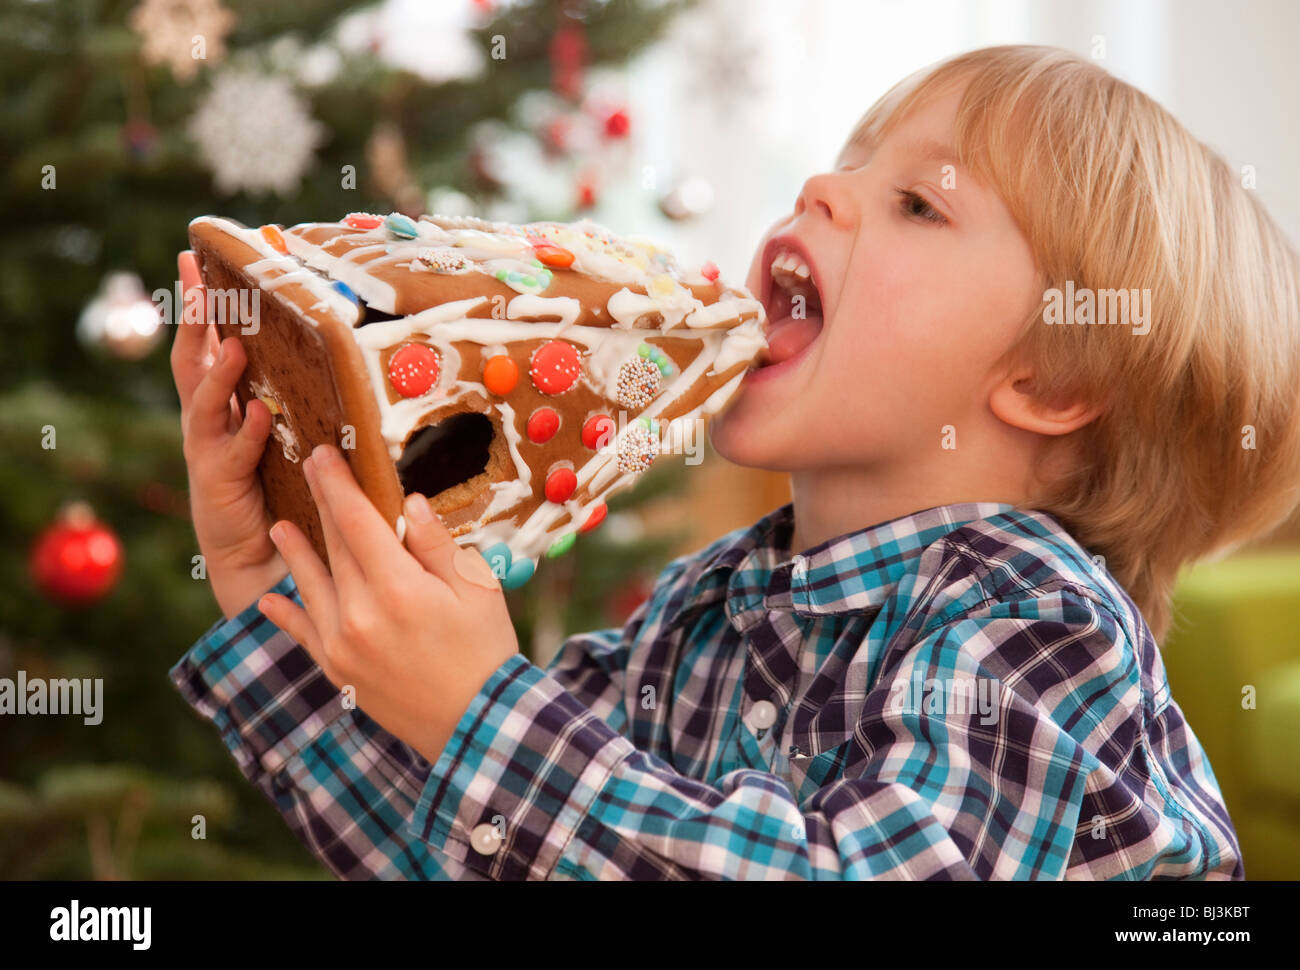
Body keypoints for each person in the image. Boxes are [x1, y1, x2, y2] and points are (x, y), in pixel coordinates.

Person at [169, 45, 1300, 879]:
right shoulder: (701, 611)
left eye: (916, 204)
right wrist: (275, 570)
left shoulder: (1036, 630)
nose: (823, 191)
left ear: (1049, 384)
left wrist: (480, 708)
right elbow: (460, 840)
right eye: (850, 163)